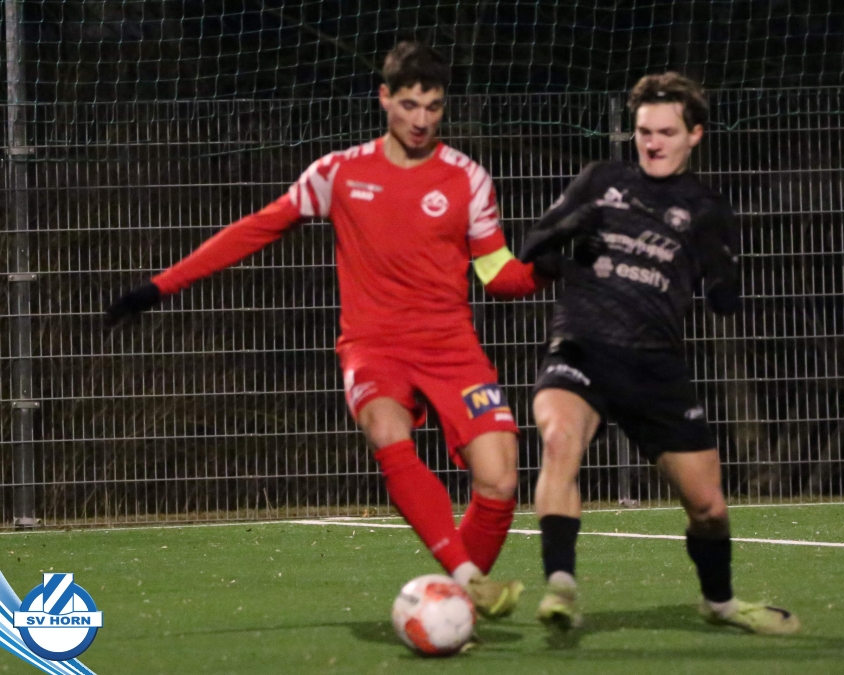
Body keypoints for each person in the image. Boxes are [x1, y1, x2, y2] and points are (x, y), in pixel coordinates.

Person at [106, 41, 553, 619]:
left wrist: (546, 270)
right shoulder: (339, 172)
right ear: (384, 98)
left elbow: (496, 274)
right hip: (374, 347)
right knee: (386, 430)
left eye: (434, 107)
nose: (421, 120)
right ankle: (468, 579)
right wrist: (159, 287)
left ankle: (455, 606)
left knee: (500, 480)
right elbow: (257, 228)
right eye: (410, 105)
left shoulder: (467, 178)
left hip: (452, 348)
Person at [518, 72, 800, 634]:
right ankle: (561, 586)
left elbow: (725, 300)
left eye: (666, 132)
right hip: (583, 345)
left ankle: (719, 603)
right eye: (644, 131)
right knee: (558, 439)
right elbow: (533, 247)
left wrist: (723, 276)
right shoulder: (602, 180)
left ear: (694, 134)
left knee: (709, 510)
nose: (652, 143)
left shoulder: (705, 207)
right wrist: (567, 231)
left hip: (655, 366)